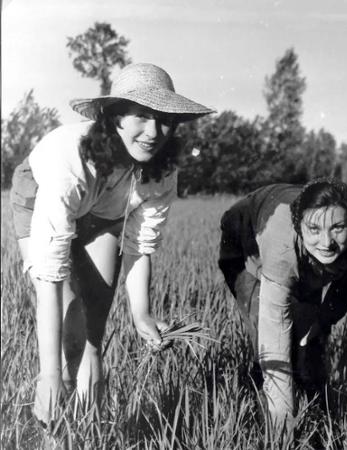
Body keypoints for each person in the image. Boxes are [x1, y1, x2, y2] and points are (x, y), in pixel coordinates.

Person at [10, 63, 215, 424]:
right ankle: (52, 425)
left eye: (164, 120)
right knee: (68, 315)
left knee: (92, 331)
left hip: (103, 211)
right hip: (39, 194)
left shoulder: (161, 171)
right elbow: (50, 273)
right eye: (141, 116)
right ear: (115, 116)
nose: (154, 132)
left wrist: (141, 315)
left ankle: (91, 430)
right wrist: (50, 374)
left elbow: (140, 244)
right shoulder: (68, 160)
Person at [217, 179, 347, 430]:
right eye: (314, 229)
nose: (326, 242)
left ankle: (320, 413)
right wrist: (283, 424)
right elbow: (274, 339)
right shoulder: (282, 246)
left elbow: (346, 287)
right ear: (299, 226)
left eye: (337, 228)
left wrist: (322, 323)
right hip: (247, 241)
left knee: (307, 343)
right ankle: (268, 418)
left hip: (300, 255)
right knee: (269, 339)